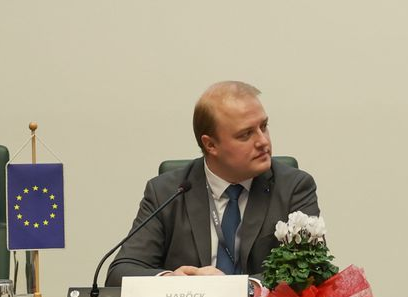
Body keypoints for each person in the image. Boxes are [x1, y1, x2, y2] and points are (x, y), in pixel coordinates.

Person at [107, 81, 320, 284]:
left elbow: (311, 270)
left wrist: (239, 288)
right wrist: (171, 281)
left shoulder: (293, 187)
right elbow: (120, 272)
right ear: (210, 145)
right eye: (246, 134)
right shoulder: (167, 192)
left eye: (263, 126)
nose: (263, 141)